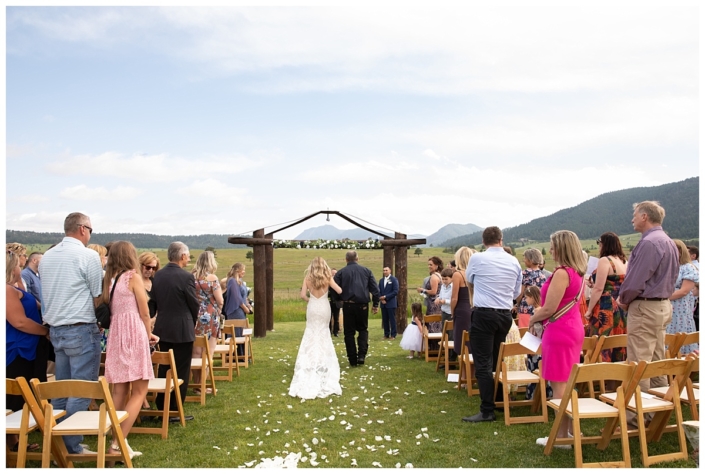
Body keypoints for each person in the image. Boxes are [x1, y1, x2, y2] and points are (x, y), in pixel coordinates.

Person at [38, 212, 103, 455]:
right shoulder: (88, 255)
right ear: (83, 229)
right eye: (91, 230)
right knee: (81, 389)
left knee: (61, 390)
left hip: (56, 329)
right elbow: (97, 294)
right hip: (80, 326)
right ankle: (70, 446)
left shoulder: (47, 257)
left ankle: (59, 443)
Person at [616, 201, 679, 428]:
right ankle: (657, 414)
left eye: (634, 215)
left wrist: (623, 300)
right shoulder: (669, 241)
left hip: (645, 307)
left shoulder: (650, 243)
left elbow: (635, 280)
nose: (632, 219)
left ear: (644, 216)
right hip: (662, 305)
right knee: (656, 362)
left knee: (638, 363)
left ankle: (636, 419)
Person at [103, 241, 158, 460]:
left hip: (117, 335)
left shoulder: (110, 280)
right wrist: (147, 335)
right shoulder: (132, 277)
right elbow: (144, 313)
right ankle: (117, 443)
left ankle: (117, 439)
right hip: (133, 333)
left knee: (119, 390)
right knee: (139, 390)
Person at [531, 230, 587, 445]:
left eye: (553, 246)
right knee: (565, 382)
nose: (551, 250)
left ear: (562, 248)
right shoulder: (578, 272)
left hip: (559, 331)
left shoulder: (563, 273)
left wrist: (534, 318)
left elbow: (549, 308)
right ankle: (568, 432)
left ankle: (561, 436)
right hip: (572, 327)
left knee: (559, 386)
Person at [463, 227, 522, 423]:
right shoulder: (513, 260)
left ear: (483, 241)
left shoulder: (477, 258)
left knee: (483, 362)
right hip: (505, 315)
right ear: (501, 239)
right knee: (497, 358)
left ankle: (487, 409)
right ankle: (497, 398)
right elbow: (516, 292)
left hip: (484, 313)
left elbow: (469, 279)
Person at [151, 241, 199, 423]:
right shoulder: (186, 277)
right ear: (182, 256)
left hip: (162, 327)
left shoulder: (159, 276)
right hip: (182, 328)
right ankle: (175, 409)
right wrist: (191, 321)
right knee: (181, 370)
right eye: (187, 255)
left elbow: (153, 304)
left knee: (164, 367)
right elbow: (193, 303)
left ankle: (162, 406)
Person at [288, 257, 343, 399]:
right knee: (324, 333)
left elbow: (302, 295)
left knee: (311, 333)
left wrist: (311, 300)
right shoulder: (327, 277)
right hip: (324, 306)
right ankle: (322, 362)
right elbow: (339, 290)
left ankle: (310, 362)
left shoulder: (308, 278)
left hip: (312, 307)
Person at [6, 251, 50, 413]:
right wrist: (45, 331)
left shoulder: (13, 287)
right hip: (18, 347)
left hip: (29, 346)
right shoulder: (6, 291)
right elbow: (19, 321)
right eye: (17, 265)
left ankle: (16, 438)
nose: (20, 267)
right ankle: (13, 436)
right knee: (16, 395)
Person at [585, 232, 628, 362]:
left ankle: (600, 372)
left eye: (599, 243)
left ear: (604, 244)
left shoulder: (605, 260)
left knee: (602, 340)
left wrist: (589, 310)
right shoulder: (624, 261)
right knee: (617, 338)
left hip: (606, 305)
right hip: (620, 304)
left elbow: (599, 288)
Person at [333, 251, 380, 367]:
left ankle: (352, 359)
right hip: (362, 305)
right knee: (363, 330)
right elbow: (375, 290)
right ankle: (361, 355)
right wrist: (375, 304)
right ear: (357, 259)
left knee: (349, 333)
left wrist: (338, 301)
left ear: (346, 259)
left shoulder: (341, 273)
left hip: (348, 304)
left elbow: (334, 289)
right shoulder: (367, 271)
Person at [191, 251, 224, 389]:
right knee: (209, 351)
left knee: (196, 352)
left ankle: (196, 382)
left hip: (195, 315)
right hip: (210, 316)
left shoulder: (192, 278)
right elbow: (220, 300)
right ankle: (202, 386)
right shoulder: (212, 278)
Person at [667, 239, 699, 354]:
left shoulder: (688, 268)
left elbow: (684, 291)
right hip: (667, 306)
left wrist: (662, 297)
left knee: (680, 330)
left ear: (681, 251)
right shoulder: (668, 267)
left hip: (680, 307)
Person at [451, 247, 475, 364]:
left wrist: (452, 311)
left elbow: (454, 297)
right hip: (474, 308)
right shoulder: (474, 272)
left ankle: (464, 374)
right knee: (472, 340)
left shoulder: (458, 274)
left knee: (461, 340)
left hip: (461, 309)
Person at [223, 263, 252, 354]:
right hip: (235, 310)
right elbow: (237, 298)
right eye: (242, 270)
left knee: (241, 330)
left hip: (241, 309)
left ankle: (243, 354)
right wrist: (245, 308)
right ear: (237, 271)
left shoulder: (240, 281)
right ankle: (237, 355)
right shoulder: (232, 281)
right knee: (237, 331)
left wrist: (248, 305)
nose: (244, 272)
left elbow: (244, 296)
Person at [515, 249, 547, 328]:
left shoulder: (525, 273)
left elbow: (521, 293)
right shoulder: (543, 275)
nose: (524, 260)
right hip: (538, 309)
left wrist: (517, 304)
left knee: (524, 332)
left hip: (525, 308)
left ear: (530, 260)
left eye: (525, 258)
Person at [379, 266, 400, 340]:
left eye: (386, 270)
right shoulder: (381, 280)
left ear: (390, 271)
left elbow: (395, 291)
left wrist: (385, 297)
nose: (385, 272)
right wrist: (381, 299)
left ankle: (393, 334)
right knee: (385, 319)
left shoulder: (394, 280)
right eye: (384, 270)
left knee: (392, 319)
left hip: (391, 303)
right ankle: (386, 334)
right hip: (383, 303)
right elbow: (379, 291)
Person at [438, 268, 454, 335]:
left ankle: (451, 344)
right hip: (444, 311)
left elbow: (454, 300)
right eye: (443, 279)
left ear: (451, 278)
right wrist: (438, 299)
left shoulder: (453, 287)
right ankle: (444, 344)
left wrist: (446, 301)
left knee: (451, 333)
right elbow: (441, 296)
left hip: (450, 313)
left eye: (446, 279)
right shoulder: (442, 286)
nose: (444, 281)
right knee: (444, 332)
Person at [328, 268, 342, 337]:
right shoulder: (328, 283)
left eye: (335, 274)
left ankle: (336, 331)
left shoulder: (339, 282)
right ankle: (329, 332)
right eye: (332, 274)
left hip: (337, 302)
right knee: (329, 318)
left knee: (336, 318)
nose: (334, 275)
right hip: (329, 302)